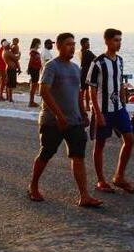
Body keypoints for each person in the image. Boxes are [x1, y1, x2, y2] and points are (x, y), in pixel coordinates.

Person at [28, 32, 102, 208]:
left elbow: (78, 93)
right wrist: (59, 116)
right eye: (68, 44)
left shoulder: (76, 68)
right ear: (59, 46)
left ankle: (84, 196)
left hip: (74, 121)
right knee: (46, 153)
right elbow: (44, 91)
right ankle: (33, 186)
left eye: (73, 44)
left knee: (78, 156)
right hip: (52, 121)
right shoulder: (51, 66)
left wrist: (83, 113)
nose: (72, 47)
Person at [88, 29, 134, 194]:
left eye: (120, 40)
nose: (119, 43)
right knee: (100, 144)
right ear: (107, 41)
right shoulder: (98, 63)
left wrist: (124, 102)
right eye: (116, 40)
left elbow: (119, 83)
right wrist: (97, 113)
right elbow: (92, 90)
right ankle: (101, 180)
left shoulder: (120, 60)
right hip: (103, 111)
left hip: (119, 109)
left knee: (129, 139)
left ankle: (119, 177)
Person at [79, 38, 96, 110]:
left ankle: (83, 106)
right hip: (86, 73)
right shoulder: (87, 52)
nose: (89, 44)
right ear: (83, 44)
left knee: (83, 90)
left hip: (82, 72)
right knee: (85, 90)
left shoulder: (81, 52)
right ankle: (87, 106)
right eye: (87, 43)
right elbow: (96, 59)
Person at [27, 38, 42, 107]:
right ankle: (31, 102)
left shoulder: (35, 51)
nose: (39, 44)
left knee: (34, 85)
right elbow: (31, 60)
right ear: (36, 43)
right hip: (34, 70)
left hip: (36, 69)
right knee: (33, 86)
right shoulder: (33, 51)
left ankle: (32, 101)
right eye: (39, 43)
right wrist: (29, 69)